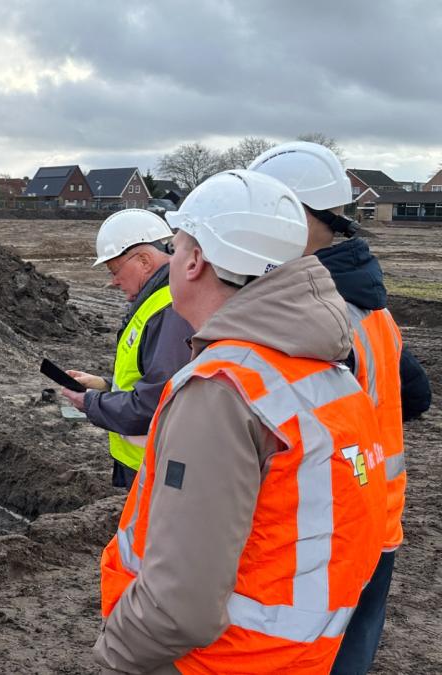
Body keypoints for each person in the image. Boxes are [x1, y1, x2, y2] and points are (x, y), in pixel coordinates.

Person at [96, 170, 387, 672]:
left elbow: (180, 605)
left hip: (220, 661)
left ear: (195, 261)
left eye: (178, 242)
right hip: (296, 659)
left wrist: (116, 651)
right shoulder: (325, 369)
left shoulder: (223, 391)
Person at [250, 141, 432, 673]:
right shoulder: (371, 309)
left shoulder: (313, 314)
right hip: (378, 517)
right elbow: (413, 396)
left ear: (300, 218)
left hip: (327, 531)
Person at [60, 209, 194, 487]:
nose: (113, 281)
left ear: (144, 261)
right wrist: (103, 384)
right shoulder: (154, 303)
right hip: (146, 465)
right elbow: (150, 375)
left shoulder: (168, 310)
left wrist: (89, 403)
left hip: (157, 470)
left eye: (115, 270)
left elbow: (155, 403)